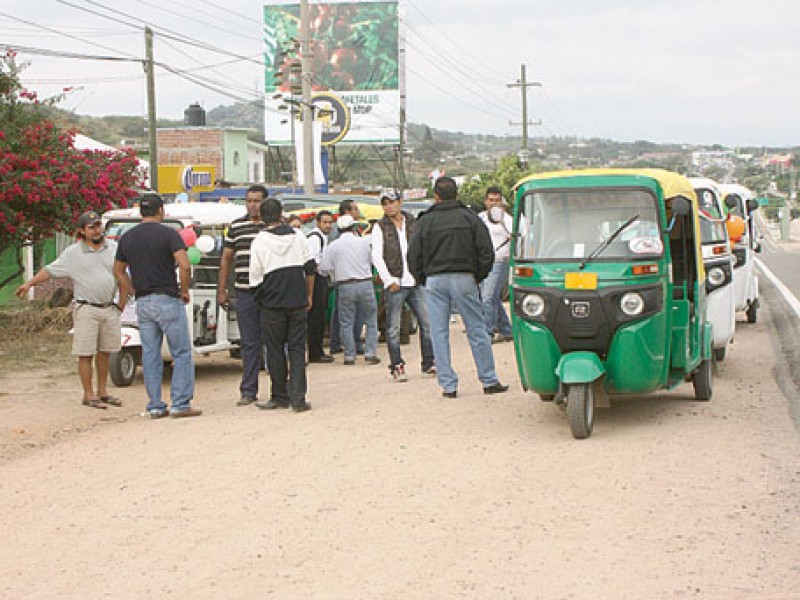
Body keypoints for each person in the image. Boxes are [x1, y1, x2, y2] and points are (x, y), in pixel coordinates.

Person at [408, 177, 509, 398]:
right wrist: (477, 276)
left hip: (435, 280)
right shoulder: (470, 218)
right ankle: (489, 380)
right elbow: (486, 252)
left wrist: (423, 278)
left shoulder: (424, 221)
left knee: (439, 332)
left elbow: (413, 254)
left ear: (436, 196)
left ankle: (449, 386)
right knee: (477, 329)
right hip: (465, 278)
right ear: (457, 194)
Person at [15, 211, 124, 410]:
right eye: (91, 227)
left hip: (109, 309)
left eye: (98, 225)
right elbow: (49, 271)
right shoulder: (73, 253)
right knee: (85, 353)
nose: (97, 230)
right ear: (82, 231)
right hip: (86, 309)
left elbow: (123, 274)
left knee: (106, 352)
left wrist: (122, 303)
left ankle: (103, 391)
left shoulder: (114, 249)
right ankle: (88, 395)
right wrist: (29, 284)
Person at [113, 193, 202, 419]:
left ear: (140, 212)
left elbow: (118, 270)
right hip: (167, 298)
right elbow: (184, 265)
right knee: (181, 352)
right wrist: (183, 290)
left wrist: (132, 290)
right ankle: (181, 403)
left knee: (150, 353)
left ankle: (155, 404)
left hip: (143, 300)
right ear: (161, 211)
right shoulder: (169, 235)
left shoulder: (127, 238)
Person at [249, 197, 315, 412]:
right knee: (296, 350)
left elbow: (255, 278)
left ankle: (279, 396)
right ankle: (298, 398)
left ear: (261, 217)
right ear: (281, 214)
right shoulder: (298, 236)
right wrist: (309, 295)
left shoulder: (259, 241)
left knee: (275, 350)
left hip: (272, 305)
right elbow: (310, 268)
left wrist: (262, 299)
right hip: (297, 302)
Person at [371, 191, 435, 382]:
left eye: (392, 202)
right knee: (393, 328)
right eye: (385, 204)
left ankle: (429, 363)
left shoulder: (412, 222)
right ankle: (397, 365)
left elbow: (422, 248)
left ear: (400, 202)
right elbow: (377, 256)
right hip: (396, 282)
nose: (389, 206)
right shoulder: (380, 227)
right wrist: (388, 280)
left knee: (427, 323)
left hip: (415, 281)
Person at [218, 184, 267, 407]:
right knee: (249, 343)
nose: (252, 205)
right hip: (245, 292)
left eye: (256, 200)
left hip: (270, 293)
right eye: (249, 200)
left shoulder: (275, 225)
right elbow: (226, 259)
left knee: (276, 341)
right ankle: (248, 390)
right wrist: (222, 289)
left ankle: (280, 388)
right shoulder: (236, 227)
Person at [319, 214, 380, 366]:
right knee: (371, 319)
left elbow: (323, 269)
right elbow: (374, 261)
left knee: (346, 321)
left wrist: (336, 270)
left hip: (345, 285)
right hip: (365, 283)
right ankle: (370, 353)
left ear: (338, 229)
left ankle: (349, 355)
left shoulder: (333, 246)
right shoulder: (364, 243)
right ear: (354, 228)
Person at [328, 198, 364, 355]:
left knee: (351, 312)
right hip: (343, 277)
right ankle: (339, 342)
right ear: (347, 212)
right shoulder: (338, 230)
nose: (358, 212)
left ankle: (349, 342)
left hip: (355, 275)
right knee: (341, 313)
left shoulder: (356, 229)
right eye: (355, 209)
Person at [478, 186, 514, 343]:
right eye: (491, 200)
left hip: (500, 261)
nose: (494, 203)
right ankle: (507, 329)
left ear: (502, 202)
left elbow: (518, 237)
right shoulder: (480, 219)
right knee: (492, 298)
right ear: (486, 201)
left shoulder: (509, 220)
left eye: (497, 200)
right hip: (482, 262)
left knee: (487, 297)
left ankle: (488, 332)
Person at [306, 210, 335, 363]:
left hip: (320, 279)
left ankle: (317, 350)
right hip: (315, 280)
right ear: (318, 223)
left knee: (319, 317)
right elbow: (313, 261)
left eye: (330, 222)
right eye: (325, 222)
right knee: (315, 318)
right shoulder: (315, 238)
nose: (328, 225)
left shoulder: (322, 237)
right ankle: (315, 352)